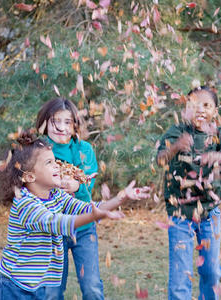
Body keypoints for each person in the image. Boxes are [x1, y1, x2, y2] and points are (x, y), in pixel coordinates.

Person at [35, 98, 150, 300]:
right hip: (53, 229)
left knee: (92, 287)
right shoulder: (40, 150)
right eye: (55, 121)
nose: (61, 127)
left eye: (67, 122)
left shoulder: (84, 149)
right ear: (45, 122)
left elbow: (87, 182)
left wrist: (76, 185)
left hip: (83, 225)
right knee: (51, 291)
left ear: (75, 125)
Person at [0, 130, 125, 300]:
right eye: (49, 162)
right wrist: (94, 216)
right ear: (30, 176)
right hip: (14, 287)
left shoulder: (56, 195)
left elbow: (85, 208)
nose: (57, 166)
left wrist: (121, 198)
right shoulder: (25, 203)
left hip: (39, 285)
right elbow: (57, 222)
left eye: (55, 160)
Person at [156, 86, 221, 300]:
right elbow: (158, 160)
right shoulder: (177, 132)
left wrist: (219, 157)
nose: (200, 110)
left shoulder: (219, 136)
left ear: (215, 111)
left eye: (206, 105)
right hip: (179, 213)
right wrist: (175, 147)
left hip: (209, 212)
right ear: (185, 108)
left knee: (211, 272)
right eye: (193, 105)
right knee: (180, 275)